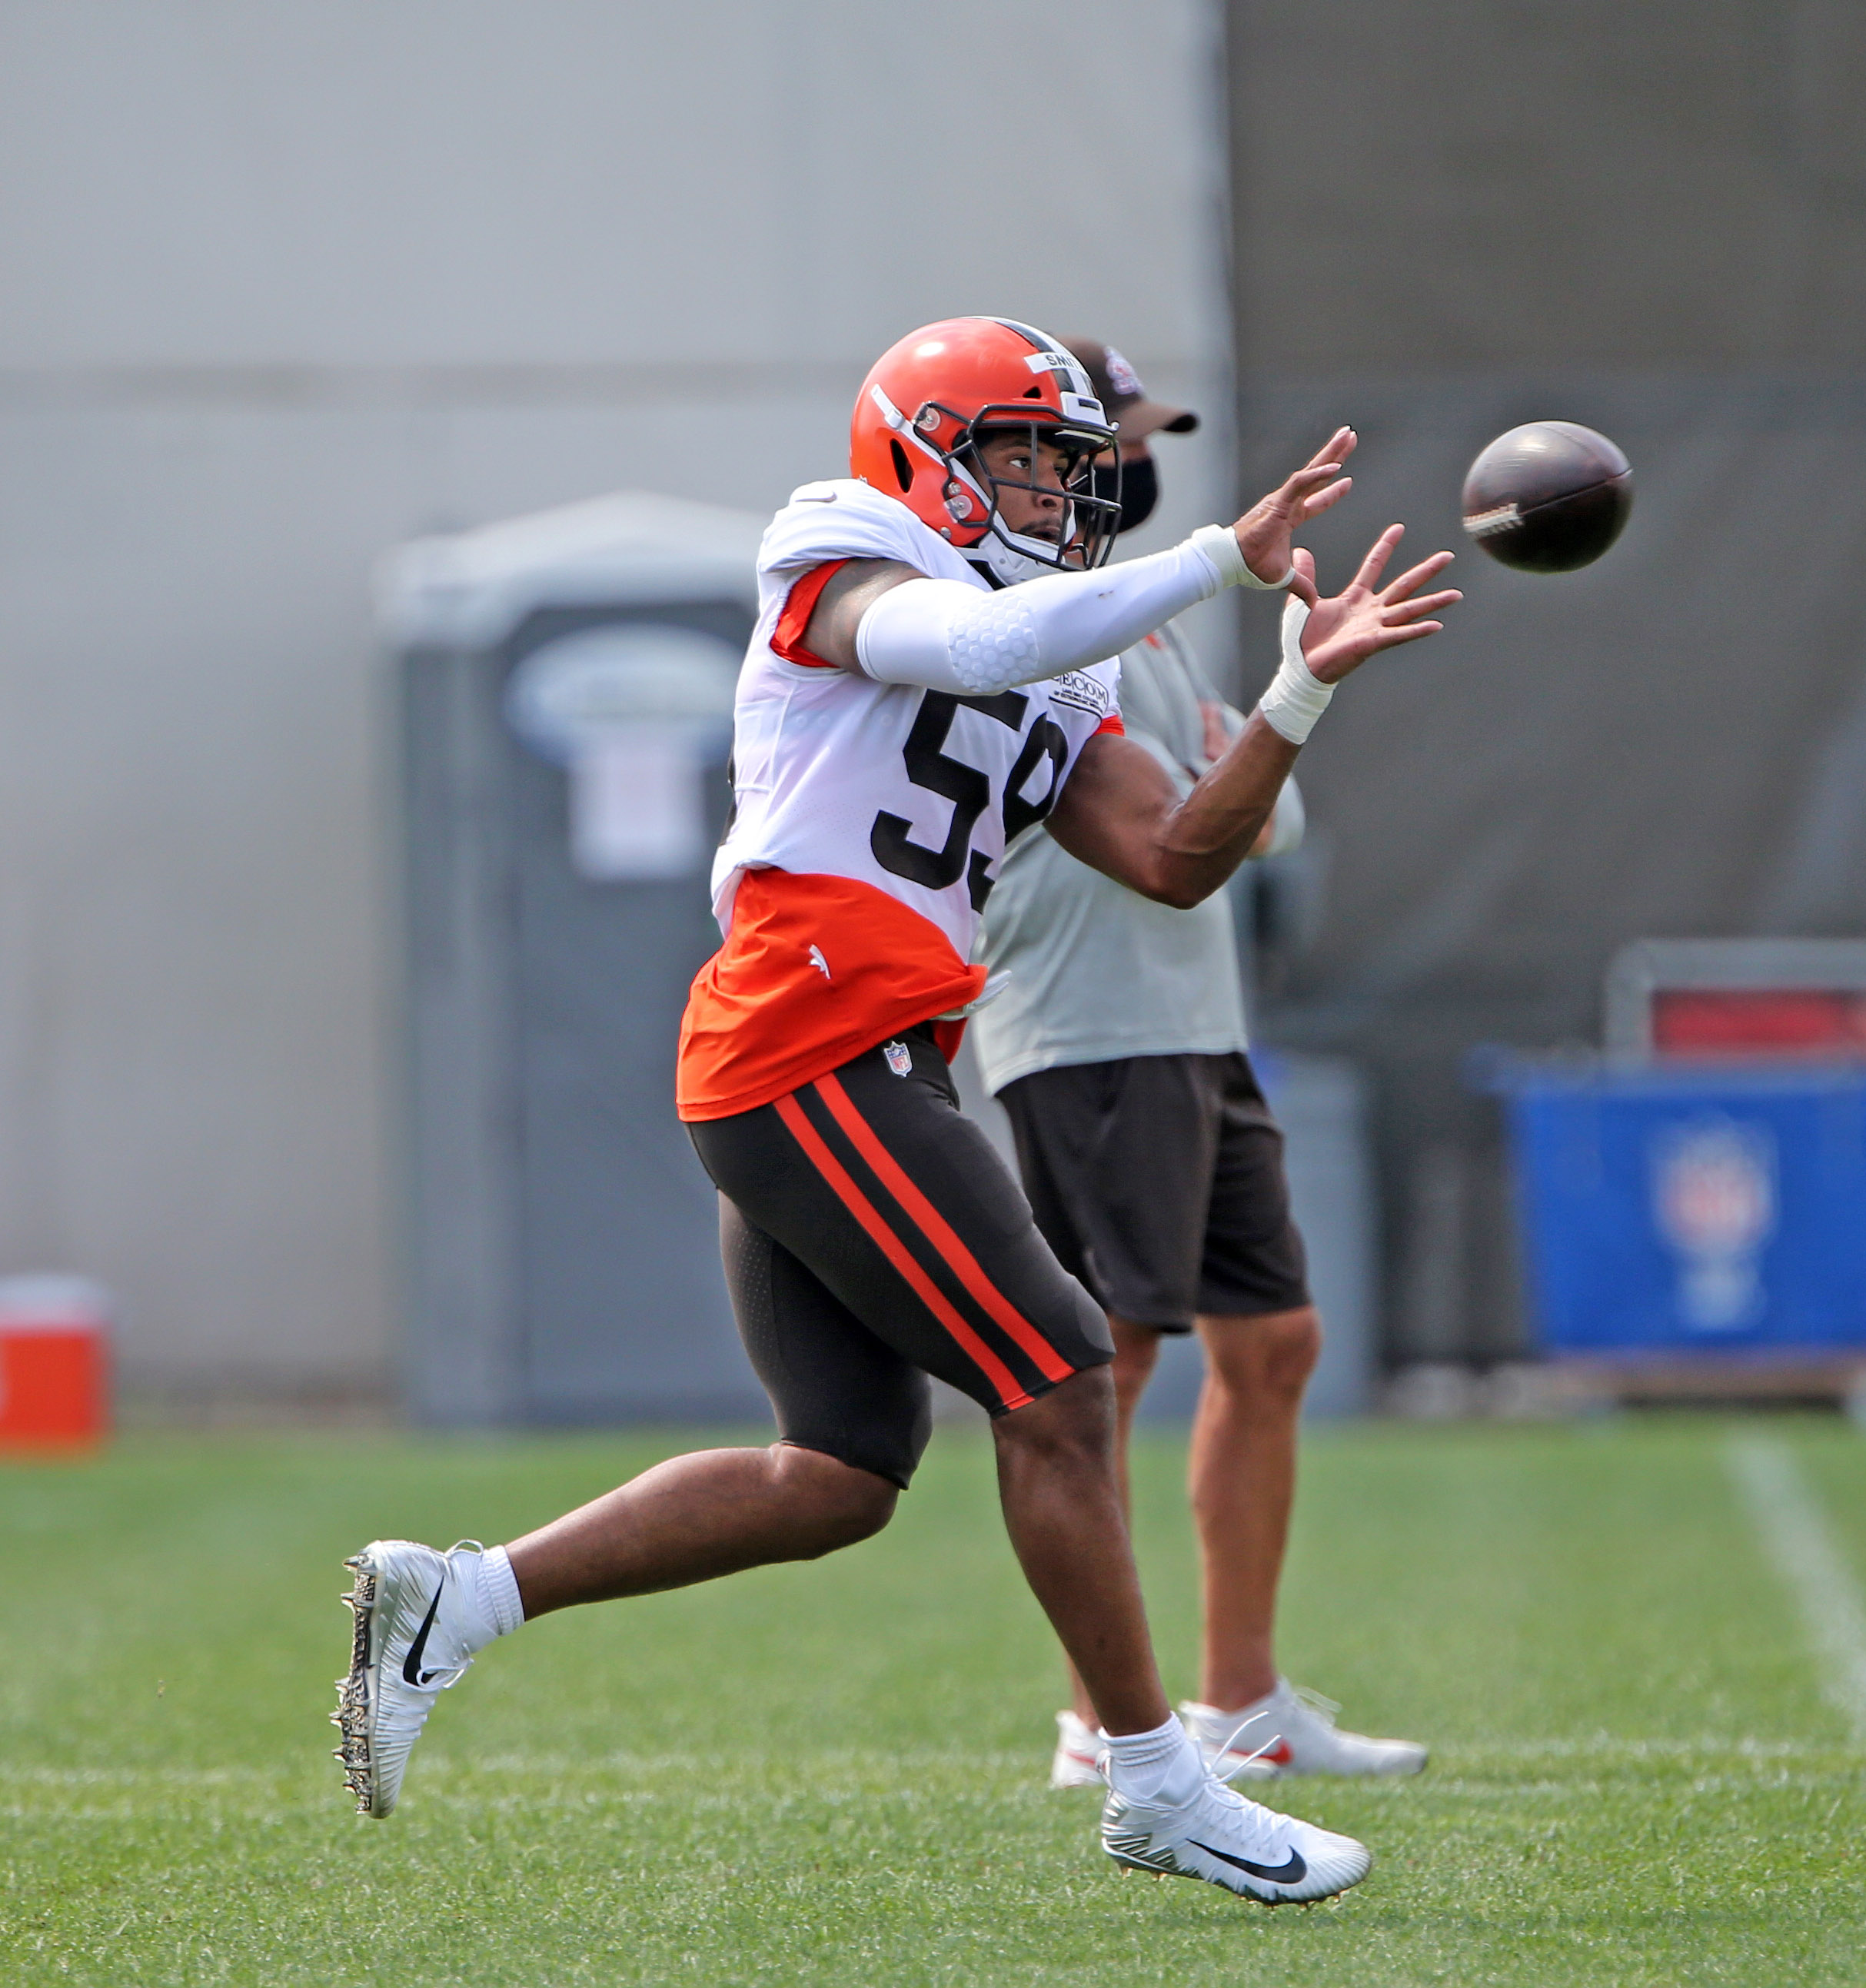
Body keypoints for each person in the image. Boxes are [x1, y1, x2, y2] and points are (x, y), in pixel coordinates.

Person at [334, 317, 1457, 1907]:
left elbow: (1176, 859)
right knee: (1062, 1381)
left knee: (841, 1476)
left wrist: (1293, 694)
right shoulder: (837, 545)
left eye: (1073, 467)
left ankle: (461, 1602)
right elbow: (976, 650)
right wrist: (1220, 556)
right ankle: (1156, 1782)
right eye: (1022, 454)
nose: (1059, 491)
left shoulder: (1059, 643)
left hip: (870, 1052)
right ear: (922, 451)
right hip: (810, 1033)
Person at [973, 341, 1426, 1790]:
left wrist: (1254, 757)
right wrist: (1247, 768)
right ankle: (1102, 1725)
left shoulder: (1153, 628)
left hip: (1192, 1021)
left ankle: (1242, 1703)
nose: (1139, 460)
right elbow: (1192, 820)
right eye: (1117, 436)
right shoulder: (1051, 618)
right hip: (1090, 1025)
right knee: (1108, 1364)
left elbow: (1252, 816)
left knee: (1273, 1342)